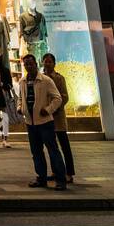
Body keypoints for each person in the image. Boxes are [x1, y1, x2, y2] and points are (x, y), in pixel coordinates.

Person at [18, 54, 66, 190]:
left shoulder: (46, 80)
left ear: (36, 64)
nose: (29, 66)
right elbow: (20, 98)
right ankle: (41, 178)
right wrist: (19, 108)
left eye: (31, 64)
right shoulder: (22, 82)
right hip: (30, 123)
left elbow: (57, 98)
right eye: (26, 64)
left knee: (53, 150)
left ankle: (60, 179)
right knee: (36, 152)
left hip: (45, 123)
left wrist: (48, 109)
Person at [42, 53, 75, 184]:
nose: (48, 64)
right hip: (45, 117)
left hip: (58, 117)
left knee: (64, 145)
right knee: (51, 146)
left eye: (50, 62)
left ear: (54, 63)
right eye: (46, 61)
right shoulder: (41, 78)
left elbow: (65, 97)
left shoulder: (59, 78)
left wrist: (54, 108)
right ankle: (56, 171)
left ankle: (69, 172)